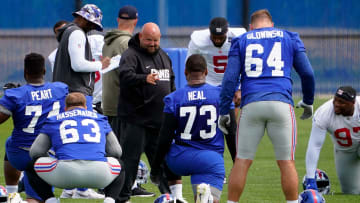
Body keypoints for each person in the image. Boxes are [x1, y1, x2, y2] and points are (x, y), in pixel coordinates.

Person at [219, 9, 315, 203]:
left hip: (251, 104)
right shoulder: (289, 37)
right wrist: (308, 101)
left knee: (242, 161)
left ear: (251, 27)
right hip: (281, 103)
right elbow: (308, 74)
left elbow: (229, 79)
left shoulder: (242, 39)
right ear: (272, 25)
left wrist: (223, 110)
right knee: (286, 162)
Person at [150, 54, 236, 203]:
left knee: (168, 148)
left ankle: (176, 196)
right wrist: (236, 162)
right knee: (211, 197)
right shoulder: (221, 95)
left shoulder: (174, 98)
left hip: (179, 159)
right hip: (210, 158)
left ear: (185, 72)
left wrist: (156, 168)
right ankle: (204, 198)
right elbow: (231, 132)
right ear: (206, 72)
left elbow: (165, 138)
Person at [117, 22, 180, 203]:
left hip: (159, 121)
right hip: (135, 120)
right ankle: (123, 198)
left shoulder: (163, 56)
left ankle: (169, 197)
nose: (152, 44)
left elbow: (171, 81)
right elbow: (124, 76)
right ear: (140, 37)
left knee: (161, 162)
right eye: (149, 40)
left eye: (156, 40)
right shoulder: (130, 55)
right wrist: (144, 78)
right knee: (130, 161)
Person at [25, 92, 125, 203]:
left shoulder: (54, 120)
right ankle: (110, 200)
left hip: (64, 175)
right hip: (99, 174)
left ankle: (50, 200)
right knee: (120, 164)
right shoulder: (100, 119)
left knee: (31, 165)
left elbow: (35, 152)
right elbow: (116, 151)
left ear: (65, 107)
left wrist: (53, 157)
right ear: (86, 106)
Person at [0, 53, 68, 202]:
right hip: (50, 153)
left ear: (25, 72)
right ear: (44, 71)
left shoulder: (15, 95)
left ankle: (13, 195)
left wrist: (9, 98)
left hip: (21, 153)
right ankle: (12, 194)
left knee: (11, 142)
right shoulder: (61, 89)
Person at [186, 17, 246, 162]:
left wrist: (241, 88)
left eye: (221, 37)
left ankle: (236, 166)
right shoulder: (198, 40)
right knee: (209, 129)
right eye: (215, 37)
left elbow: (247, 63)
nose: (218, 40)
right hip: (208, 85)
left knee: (230, 128)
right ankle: (213, 165)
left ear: (227, 32)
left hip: (230, 84)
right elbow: (190, 66)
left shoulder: (239, 37)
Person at [52, 4, 111, 110]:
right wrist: (101, 65)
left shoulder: (69, 32)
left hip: (68, 94)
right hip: (76, 97)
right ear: (82, 18)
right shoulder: (77, 33)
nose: (93, 27)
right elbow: (78, 65)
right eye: (92, 23)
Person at [305, 86, 360, 194]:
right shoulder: (324, 113)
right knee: (352, 192)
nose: (336, 104)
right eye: (335, 100)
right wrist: (310, 178)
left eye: (342, 102)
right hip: (345, 150)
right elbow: (315, 146)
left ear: (353, 103)